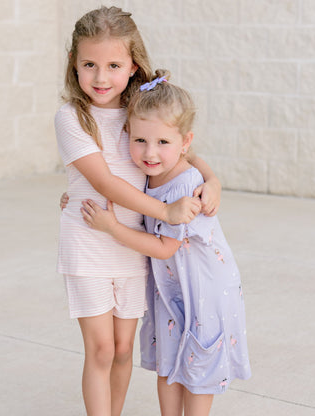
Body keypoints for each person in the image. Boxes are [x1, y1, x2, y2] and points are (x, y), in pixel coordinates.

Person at [55, 6, 221, 416]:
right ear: (74, 65)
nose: (100, 77)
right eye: (88, 64)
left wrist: (213, 181)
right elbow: (106, 183)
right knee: (101, 348)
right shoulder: (72, 117)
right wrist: (167, 212)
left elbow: (183, 150)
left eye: (113, 65)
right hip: (90, 239)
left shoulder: (138, 110)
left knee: (125, 349)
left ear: (133, 67)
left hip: (133, 246)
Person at [81, 70, 251, 416]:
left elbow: (163, 247)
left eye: (162, 143)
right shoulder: (152, 172)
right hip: (172, 289)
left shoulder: (183, 188)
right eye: (140, 140)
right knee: (169, 363)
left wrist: (111, 227)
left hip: (204, 289)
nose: (150, 153)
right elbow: (191, 161)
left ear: (184, 142)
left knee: (198, 368)